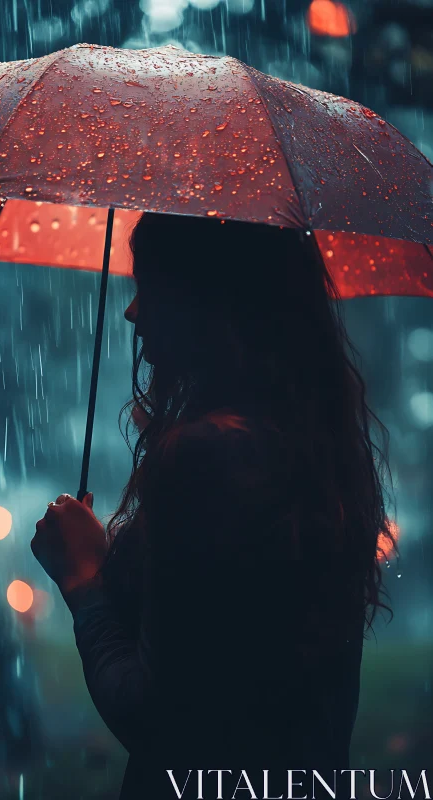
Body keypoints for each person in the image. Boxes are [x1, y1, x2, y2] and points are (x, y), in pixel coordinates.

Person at [32, 213, 398, 800]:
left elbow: (159, 721)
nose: (132, 313)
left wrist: (83, 582)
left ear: (208, 302)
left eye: (151, 287)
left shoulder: (208, 458)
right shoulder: (310, 451)